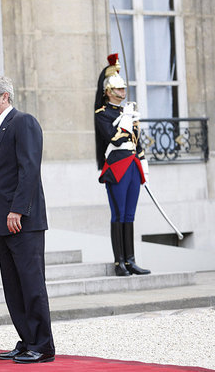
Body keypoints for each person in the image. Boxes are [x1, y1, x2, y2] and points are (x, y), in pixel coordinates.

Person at [0, 75, 55, 364]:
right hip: (2, 224)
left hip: (24, 222)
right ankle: (27, 340)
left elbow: (29, 169)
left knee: (32, 285)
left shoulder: (24, 122)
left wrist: (17, 210)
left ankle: (43, 346)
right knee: (13, 288)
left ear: (4, 97)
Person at [94, 53, 151, 277]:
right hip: (117, 165)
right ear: (108, 92)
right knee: (118, 214)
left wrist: (143, 161)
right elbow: (114, 138)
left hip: (133, 165)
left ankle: (131, 259)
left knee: (130, 214)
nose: (123, 92)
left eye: (124, 89)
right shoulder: (103, 114)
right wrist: (125, 120)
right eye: (118, 89)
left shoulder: (128, 112)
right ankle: (119, 262)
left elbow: (137, 141)